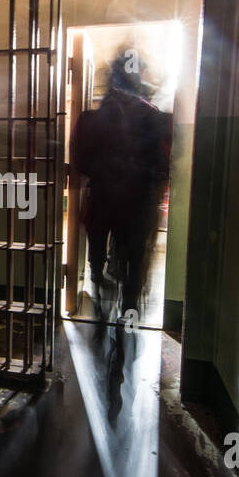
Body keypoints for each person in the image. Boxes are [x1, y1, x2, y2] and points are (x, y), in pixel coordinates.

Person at [69, 47, 172, 321]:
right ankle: (129, 309)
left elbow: (79, 163)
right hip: (138, 203)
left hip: (102, 200)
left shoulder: (90, 120)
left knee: (98, 250)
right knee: (135, 261)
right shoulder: (156, 118)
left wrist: (104, 174)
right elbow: (164, 165)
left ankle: (98, 287)